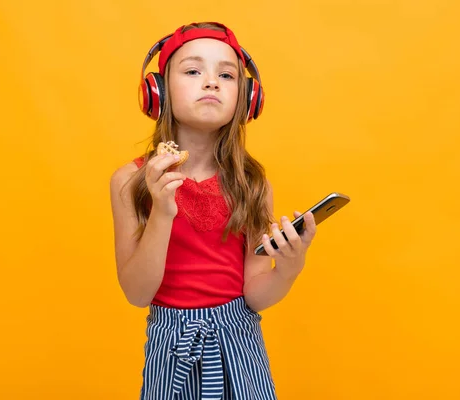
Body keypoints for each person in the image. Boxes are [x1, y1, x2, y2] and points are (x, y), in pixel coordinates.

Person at [109, 21, 317, 400]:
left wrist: (288, 270)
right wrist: (162, 211)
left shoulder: (253, 185)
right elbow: (137, 293)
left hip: (241, 347)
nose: (211, 82)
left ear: (248, 97)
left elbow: (255, 294)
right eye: (192, 71)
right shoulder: (131, 181)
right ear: (158, 92)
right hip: (171, 348)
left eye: (226, 74)